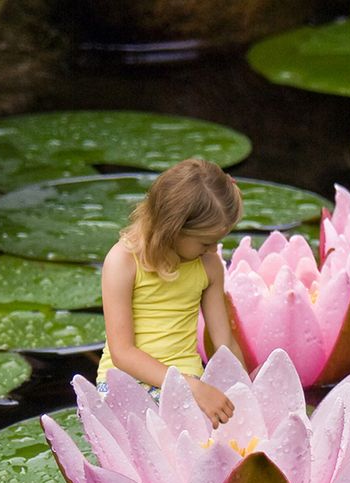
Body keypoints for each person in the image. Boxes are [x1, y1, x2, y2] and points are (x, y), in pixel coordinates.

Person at [97, 158, 245, 428]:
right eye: (205, 242)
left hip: (190, 382)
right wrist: (191, 387)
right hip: (125, 382)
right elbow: (123, 352)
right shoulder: (123, 261)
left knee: (225, 428)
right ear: (172, 229)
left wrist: (246, 394)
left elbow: (224, 343)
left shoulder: (209, 265)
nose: (214, 250)